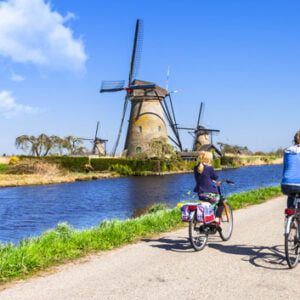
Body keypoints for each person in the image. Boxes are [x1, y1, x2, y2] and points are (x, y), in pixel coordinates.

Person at [193, 151, 223, 224]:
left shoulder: (195, 168)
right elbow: (215, 177)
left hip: (201, 194)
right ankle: (216, 218)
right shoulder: (209, 168)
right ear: (208, 158)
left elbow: (203, 177)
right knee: (221, 202)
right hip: (210, 194)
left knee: (208, 205)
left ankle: (205, 219)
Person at [281, 131, 300, 209]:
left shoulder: (287, 151)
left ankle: (290, 212)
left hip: (286, 184)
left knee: (291, 196)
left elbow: (285, 167)